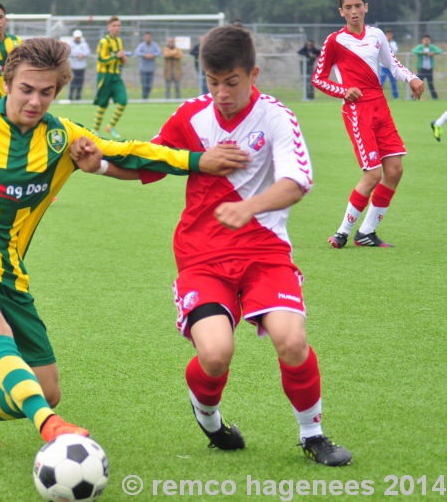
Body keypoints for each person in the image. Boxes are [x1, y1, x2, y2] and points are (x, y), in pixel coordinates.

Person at [0, 37, 249, 449]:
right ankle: (49, 426)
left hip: (9, 277)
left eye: (46, 92)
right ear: (7, 83)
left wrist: (199, 160)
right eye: (26, 89)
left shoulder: (62, 139)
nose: (35, 101)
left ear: (58, 91)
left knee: (45, 386)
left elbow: (132, 152)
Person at [71, 25, 352, 467]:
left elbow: (297, 182)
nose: (221, 93)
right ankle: (209, 418)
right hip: (202, 255)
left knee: (291, 340)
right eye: (212, 82)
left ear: (253, 73)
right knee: (216, 353)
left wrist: (249, 208)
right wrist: (101, 166)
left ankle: (312, 434)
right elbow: (153, 163)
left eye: (231, 82)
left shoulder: (277, 116)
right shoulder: (191, 116)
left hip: (265, 252)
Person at [312, 0, 423, 248]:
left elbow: (392, 64)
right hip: (357, 110)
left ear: (366, 7)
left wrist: (412, 77)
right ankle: (342, 232)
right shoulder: (334, 41)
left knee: (394, 170)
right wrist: (343, 90)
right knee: (373, 174)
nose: (353, 11)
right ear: (341, 12)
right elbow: (317, 78)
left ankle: (367, 232)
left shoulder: (376, 35)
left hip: (381, 107)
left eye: (357, 6)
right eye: (348, 7)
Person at [91, 16, 128, 138]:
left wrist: (122, 59)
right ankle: (95, 129)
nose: (117, 28)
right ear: (109, 27)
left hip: (116, 76)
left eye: (118, 25)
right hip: (105, 76)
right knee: (103, 103)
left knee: (123, 101)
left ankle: (111, 126)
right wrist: (116, 57)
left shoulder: (119, 41)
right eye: (114, 26)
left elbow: (119, 58)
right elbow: (101, 59)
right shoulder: (104, 42)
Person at [411, 35, 442, 100]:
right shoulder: (420, 47)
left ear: (429, 40)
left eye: (427, 40)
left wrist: (434, 53)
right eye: (425, 40)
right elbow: (413, 51)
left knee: (430, 83)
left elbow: (440, 51)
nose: (426, 41)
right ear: (422, 41)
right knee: (418, 83)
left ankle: (435, 98)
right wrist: (422, 53)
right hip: (421, 69)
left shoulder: (432, 47)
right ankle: (413, 96)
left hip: (429, 69)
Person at [134, 32, 162, 99]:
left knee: (149, 85)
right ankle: (144, 98)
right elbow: (137, 52)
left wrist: (153, 55)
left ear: (151, 38)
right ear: (144, 38)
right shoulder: (142, 45)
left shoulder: (154, 45)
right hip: (143, 69)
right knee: (144, 85)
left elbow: (159, 52)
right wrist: (145, 54)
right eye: (146, 37)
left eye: (149, 37)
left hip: (151, 69)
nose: (148, 38)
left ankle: (147, 97)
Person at [68, 29, 90, 100]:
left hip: (81, 67)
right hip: (73, 67)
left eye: (79, 37)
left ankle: (78, 97)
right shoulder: (71, 44)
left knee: (80, 83)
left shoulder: (84, 44)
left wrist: (82, 55)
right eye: (76, 37)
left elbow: (87, 52)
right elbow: (69, 52)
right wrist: (77, 55)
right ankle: (70, 97)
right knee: (73, 83)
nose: (77, 39)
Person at [378, 29, 399, 99]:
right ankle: (379, 95)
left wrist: (389, 43)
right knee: (382, 81)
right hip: (384, 66)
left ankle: (395, 97)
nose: (389, 36)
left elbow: (395, 51)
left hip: (392, 66)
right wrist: (386, 42)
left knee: (393, 82)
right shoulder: (382, 43)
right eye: (387, 35)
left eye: (390, 35)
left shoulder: (394, 43)